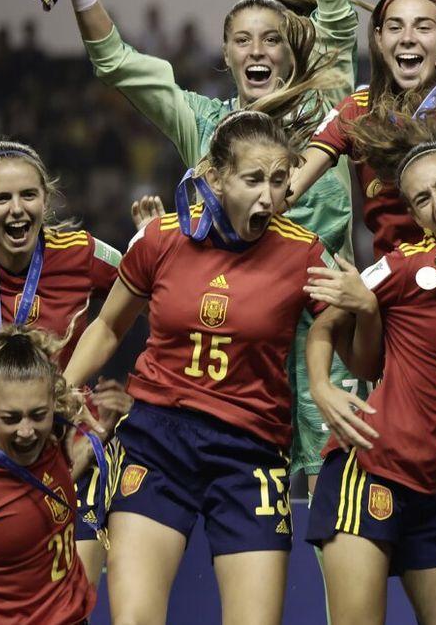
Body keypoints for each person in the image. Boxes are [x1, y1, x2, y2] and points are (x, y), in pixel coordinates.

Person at [62, 0, 364, 489]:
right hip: (240, 344)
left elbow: (338, 17)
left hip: (325, 333)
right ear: (225, 54)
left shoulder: (328, 100)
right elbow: (116, 63)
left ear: (293, 47)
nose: (257, 50)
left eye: (271, 38)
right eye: (242, 40)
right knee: (244, 508)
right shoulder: (205, 126)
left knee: (330, 515)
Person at [62, 111, 341, 625]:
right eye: (253, 179)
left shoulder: (305, 254)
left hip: (250, 451)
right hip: (157, 441)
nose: (268, 197)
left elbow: (346, 339)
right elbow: (106, 328)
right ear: (215, 177)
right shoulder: (160, 240)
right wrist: (60, 393)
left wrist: (363, 311)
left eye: (279, 181)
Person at [302, 119, 436, 624]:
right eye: (422, 199)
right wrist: (321, 387)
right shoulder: (402, 267)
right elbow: (324, 327)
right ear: (417, 218)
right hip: (368, 470)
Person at [0, 139, 121, 582]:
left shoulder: (80, 253)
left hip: (73, 456)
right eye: (1, 198)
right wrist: (3, 404)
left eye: (28, 195)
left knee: (69, 606)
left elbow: (157, 290)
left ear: (46, 199)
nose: (17, 209)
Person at [296, 0, 436, 258]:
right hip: (393, 288)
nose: (408, 37)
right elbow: (291, 186)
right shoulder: (359, 110)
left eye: (423, 27)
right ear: (378, 38)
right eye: (395, 27)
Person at [0, 297, 96, 625]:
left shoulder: (55, 436)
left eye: (37, 415)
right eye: (10, 418)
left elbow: (41, 496)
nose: (26, 432)